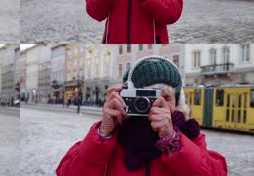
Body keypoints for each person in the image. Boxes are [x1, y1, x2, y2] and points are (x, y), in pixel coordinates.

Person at [57, 56, 227, 176]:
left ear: (178, 102)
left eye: (166, 98)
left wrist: (173, 141)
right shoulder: (113, 134)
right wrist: (103, 135)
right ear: (128, 97)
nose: (157, 105)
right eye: (148, 97)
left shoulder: (189, 136)